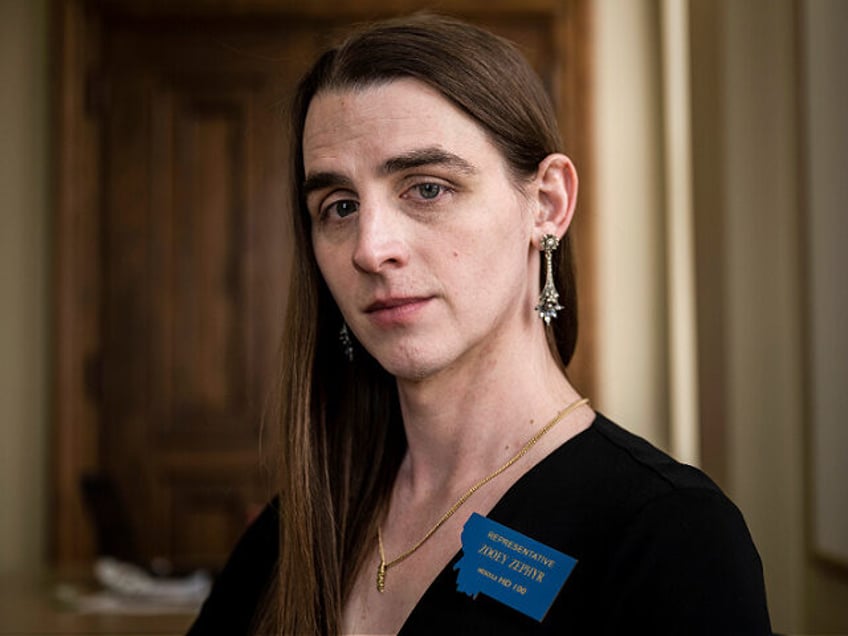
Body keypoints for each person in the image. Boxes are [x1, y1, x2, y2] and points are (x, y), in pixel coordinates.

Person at [187, 14, 772, 635]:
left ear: (546, 203)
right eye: (339, 206)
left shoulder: (669, 533)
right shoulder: (296, 531)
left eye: (428, 189)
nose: (370, 247)